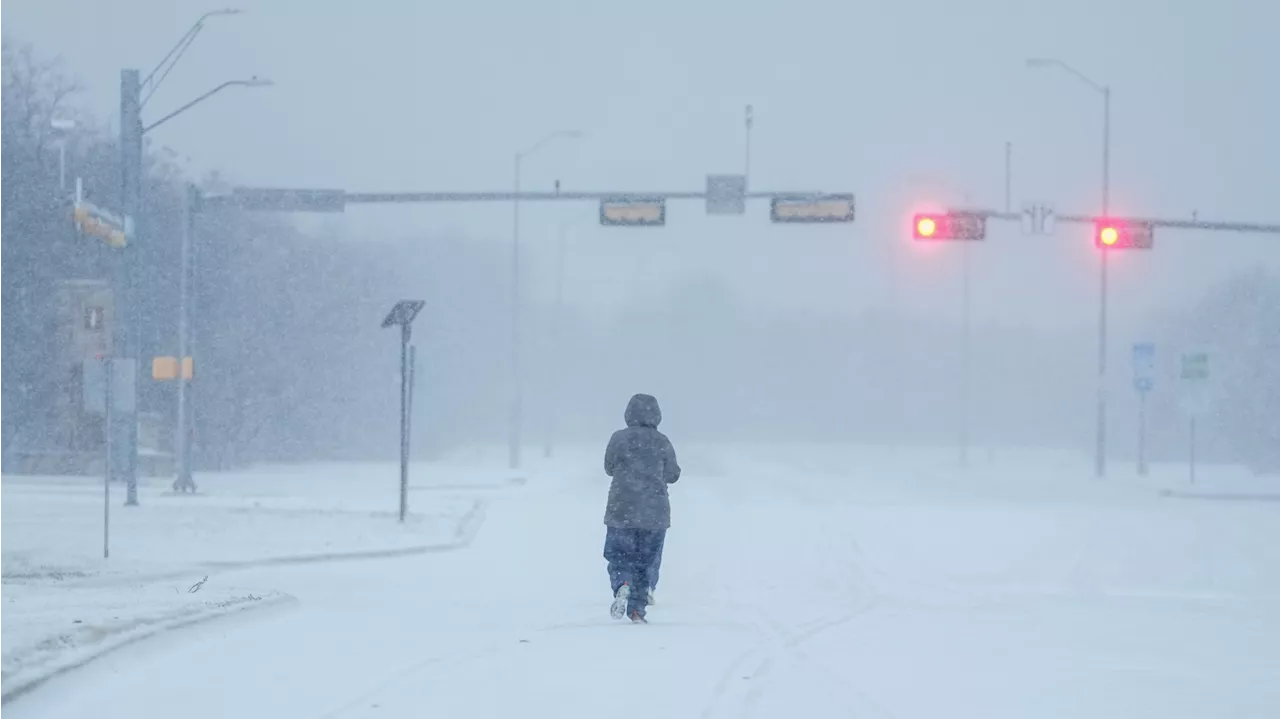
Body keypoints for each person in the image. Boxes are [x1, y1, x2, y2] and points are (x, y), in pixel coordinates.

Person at [603, 393, 680, 623]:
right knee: (646, 561)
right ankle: (637, 610)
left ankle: (622, 583)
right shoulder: (662, 441)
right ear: (657, 415)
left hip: (621, 509)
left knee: (619, 555)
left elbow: (609, 467)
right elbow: (673, 474)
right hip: (654, 513)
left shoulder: (618, 439)